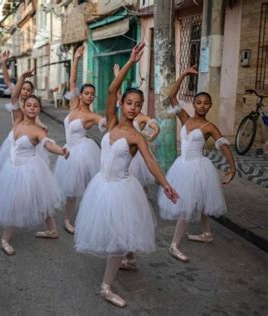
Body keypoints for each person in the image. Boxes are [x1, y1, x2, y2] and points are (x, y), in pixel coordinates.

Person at [74, 43, 179, 308]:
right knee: (118, 232)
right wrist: (131, 61)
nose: (133, 108)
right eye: (129, 103)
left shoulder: (136, 136)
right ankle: (130, 260)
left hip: (121, 188)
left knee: (119, 237)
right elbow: (110, 89)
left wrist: (166, 184)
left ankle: (106, 287)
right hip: (102, 185)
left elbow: (151, 163)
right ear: (121, 104)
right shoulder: (110, 122)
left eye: (138, 105)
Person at [158, 65, 236, 263]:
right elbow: (171, 97)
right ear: (193, 103)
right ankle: (207, 234)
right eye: (199, 102)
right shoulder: (185, 118)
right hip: (182, 165)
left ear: (210, 106)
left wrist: (232, 167)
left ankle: (174, 245)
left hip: (197, 167)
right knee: (197, 201)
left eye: (206, 103)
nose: (202, 105)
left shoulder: (209, 126)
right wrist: (183, 74)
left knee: (187, 204)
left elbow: (224, 146)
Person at [0, 93, 69, 256]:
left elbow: (47, 144)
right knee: (40, 199)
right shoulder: (17, 121)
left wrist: (61, 151)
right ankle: (52, 230)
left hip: (28, 170)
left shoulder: (37, 131)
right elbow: (14, 97)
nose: (32, 107)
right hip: (12, 169)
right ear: (23, 108)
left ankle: (5, 239)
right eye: (29, 105)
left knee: (17, 204)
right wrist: (23, 77)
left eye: (35, 105)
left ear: (39, 110)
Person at [54, 45, 106, 235]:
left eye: (92, 94)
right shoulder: (74, 104)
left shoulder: (92, 116)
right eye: (87, 93)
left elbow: (107, 123)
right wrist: (76, 58)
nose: (90, 96)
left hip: (83, 153)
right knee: (71, 190)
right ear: (82, 94)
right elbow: (73, 80)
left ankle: (85, 218)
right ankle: (68, 219)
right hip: (68, 150)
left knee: (80, 189)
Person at [0, 51, 50, 168]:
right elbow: (6, 80)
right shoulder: (15, 100)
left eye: (28, 90)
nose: (25, 91)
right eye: (23, 89)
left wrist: (42, 125)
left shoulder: (30, 106)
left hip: (27, 137)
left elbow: (36, 119)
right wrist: (3, 63)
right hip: (16, 135)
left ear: (31, 92)